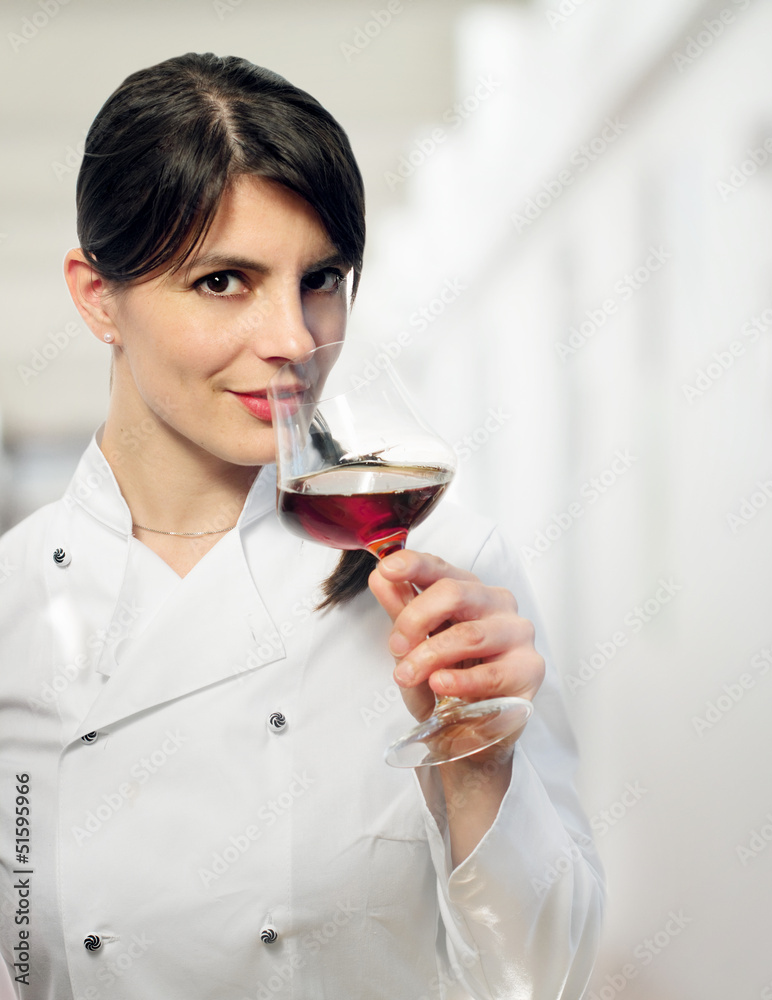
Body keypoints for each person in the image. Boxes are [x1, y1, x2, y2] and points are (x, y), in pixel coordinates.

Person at [0, 53, 603, 999]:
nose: (292, 336)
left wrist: (479, 773)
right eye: (223, 282)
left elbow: (539, 973)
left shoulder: (449, 578)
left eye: (319, 278)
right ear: (95, 297)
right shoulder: (12, 602)